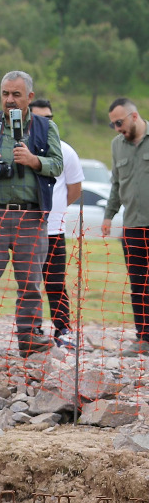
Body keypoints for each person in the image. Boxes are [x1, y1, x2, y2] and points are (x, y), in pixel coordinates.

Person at [0, 70, 64, 357]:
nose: (10, 100)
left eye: (16, 94)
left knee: (30, 282)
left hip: (31, 218)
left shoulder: (45, 128)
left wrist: (33, 160)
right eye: (6, 93)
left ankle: (29, 338)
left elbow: (57, 164)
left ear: (29, 96)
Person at [28, 99, 84, 350]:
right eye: (40, 118)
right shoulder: (20, 150)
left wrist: (56, 211)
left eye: (49, 118)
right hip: (25, 230)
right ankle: (32, 329)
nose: (45, 123)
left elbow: (74, 190)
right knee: (29, 283)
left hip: (53, 231)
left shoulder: (66, 151)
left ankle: (63, 330)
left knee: (56, 282)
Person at [102, 98, 149, 355]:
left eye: (119, 122)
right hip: (133, 227)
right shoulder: (116, 146)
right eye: (113, 124)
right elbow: (116, 186)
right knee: (139, 284)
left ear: (134, 116)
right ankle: (144, 338)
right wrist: (109, 215)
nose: (117, 128)